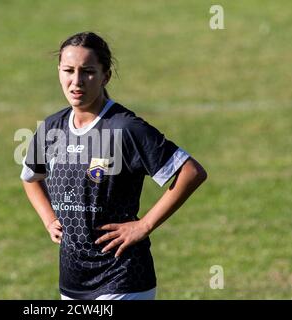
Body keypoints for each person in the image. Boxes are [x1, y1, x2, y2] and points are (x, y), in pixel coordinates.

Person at [20, 31, 207, 300]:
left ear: (105, 76)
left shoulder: (125, 128)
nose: (76, 81)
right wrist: (49, 219)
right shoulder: (52, 128)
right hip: (73, 281)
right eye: (68, 70)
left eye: (88, 72)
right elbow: (30, 177)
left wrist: (143, 226)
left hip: (123, 278)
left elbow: (191, 172)